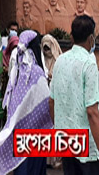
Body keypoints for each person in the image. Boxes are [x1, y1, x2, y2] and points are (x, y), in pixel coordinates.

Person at [0, 30, 53, 174]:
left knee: (21, 166)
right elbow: (46, 101)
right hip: (36, 132)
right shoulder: (36, 73)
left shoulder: (17, 70)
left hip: (19, 129)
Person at [50, 15, 99, 174]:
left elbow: (52, 102)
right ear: (91, 38)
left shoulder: (60, 61)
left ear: (71, 36)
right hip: (87, 147)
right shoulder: (89, 64)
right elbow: (92, 112)